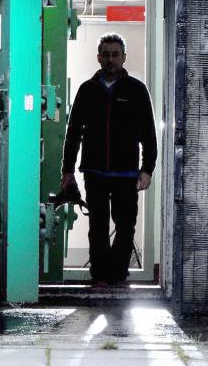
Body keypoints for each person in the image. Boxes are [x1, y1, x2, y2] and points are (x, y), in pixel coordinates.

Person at [61, 32, 157, 287]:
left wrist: (147, 169)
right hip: (94, 172)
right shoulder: (87, 90)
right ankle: (101, 276)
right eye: (106, 54)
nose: (110, 59)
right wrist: (67, 171)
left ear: (124, 57)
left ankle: (118, 275)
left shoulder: (137, 90)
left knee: (125, 227)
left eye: (115, 54)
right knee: (98, 227)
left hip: (126, 173)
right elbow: (73, 133)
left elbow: (149, 133)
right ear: (98, 58)